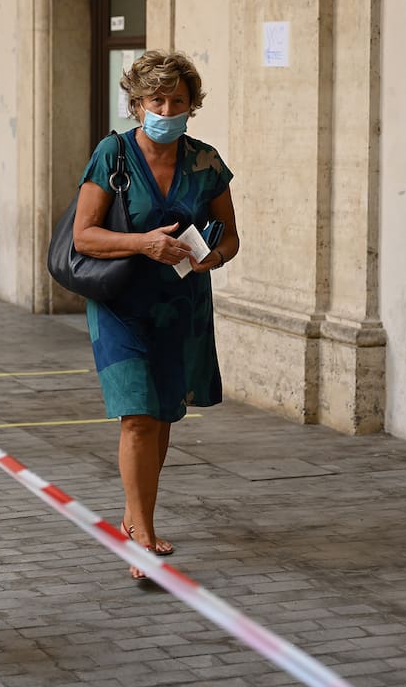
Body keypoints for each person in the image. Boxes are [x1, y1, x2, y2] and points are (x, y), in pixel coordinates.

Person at [72, 50, 239, 580]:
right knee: (138, 414)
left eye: (178, 100)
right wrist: (143, 244)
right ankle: (141, 534)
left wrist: (214, 255)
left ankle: (135, 513)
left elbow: (231, 236)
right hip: (121, 302)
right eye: (156, 99)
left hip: (180, 304)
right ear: (137, 102)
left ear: (193, 106)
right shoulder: (113, 154)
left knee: (163, 414)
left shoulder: (206, 162)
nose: (167, 108)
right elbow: (84, 235)